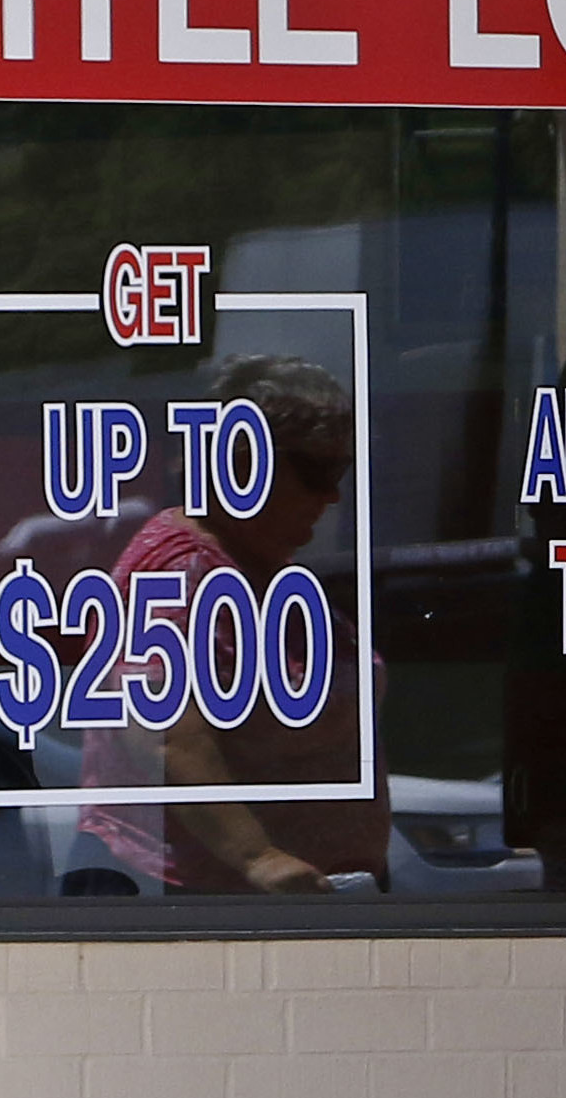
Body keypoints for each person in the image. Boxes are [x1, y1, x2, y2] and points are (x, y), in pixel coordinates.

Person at [68, 353, 374, 896]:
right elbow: (159, 728)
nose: (333, 495)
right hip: (188, 907)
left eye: (342, 471)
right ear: (241, 461)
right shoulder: (179, 570)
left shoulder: (261, 568)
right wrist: (259, 857)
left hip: (279, 905)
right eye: (318, 472)